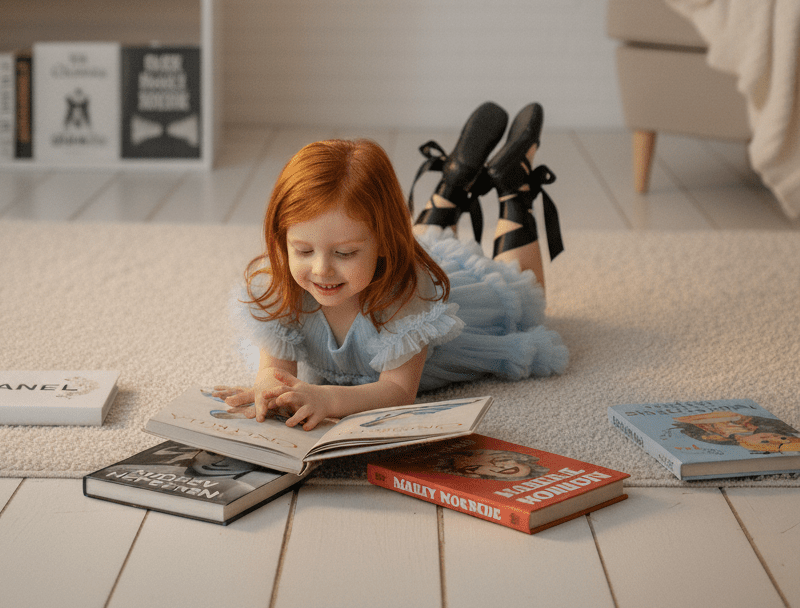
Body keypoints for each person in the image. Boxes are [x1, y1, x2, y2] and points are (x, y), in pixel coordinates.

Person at [224, 102, 568, 431]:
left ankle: (515, 190)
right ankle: (453, 184)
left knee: (519, 294)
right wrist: (269, 383)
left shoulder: (408, 294)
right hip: (392, 252)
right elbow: (275, 369)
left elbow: (399, 391)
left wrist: (328, 398)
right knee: (420, 241)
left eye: (344, 253)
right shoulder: (280, 282)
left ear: (385, 243)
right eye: (302, 250)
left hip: (444, 299)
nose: (321, 269)